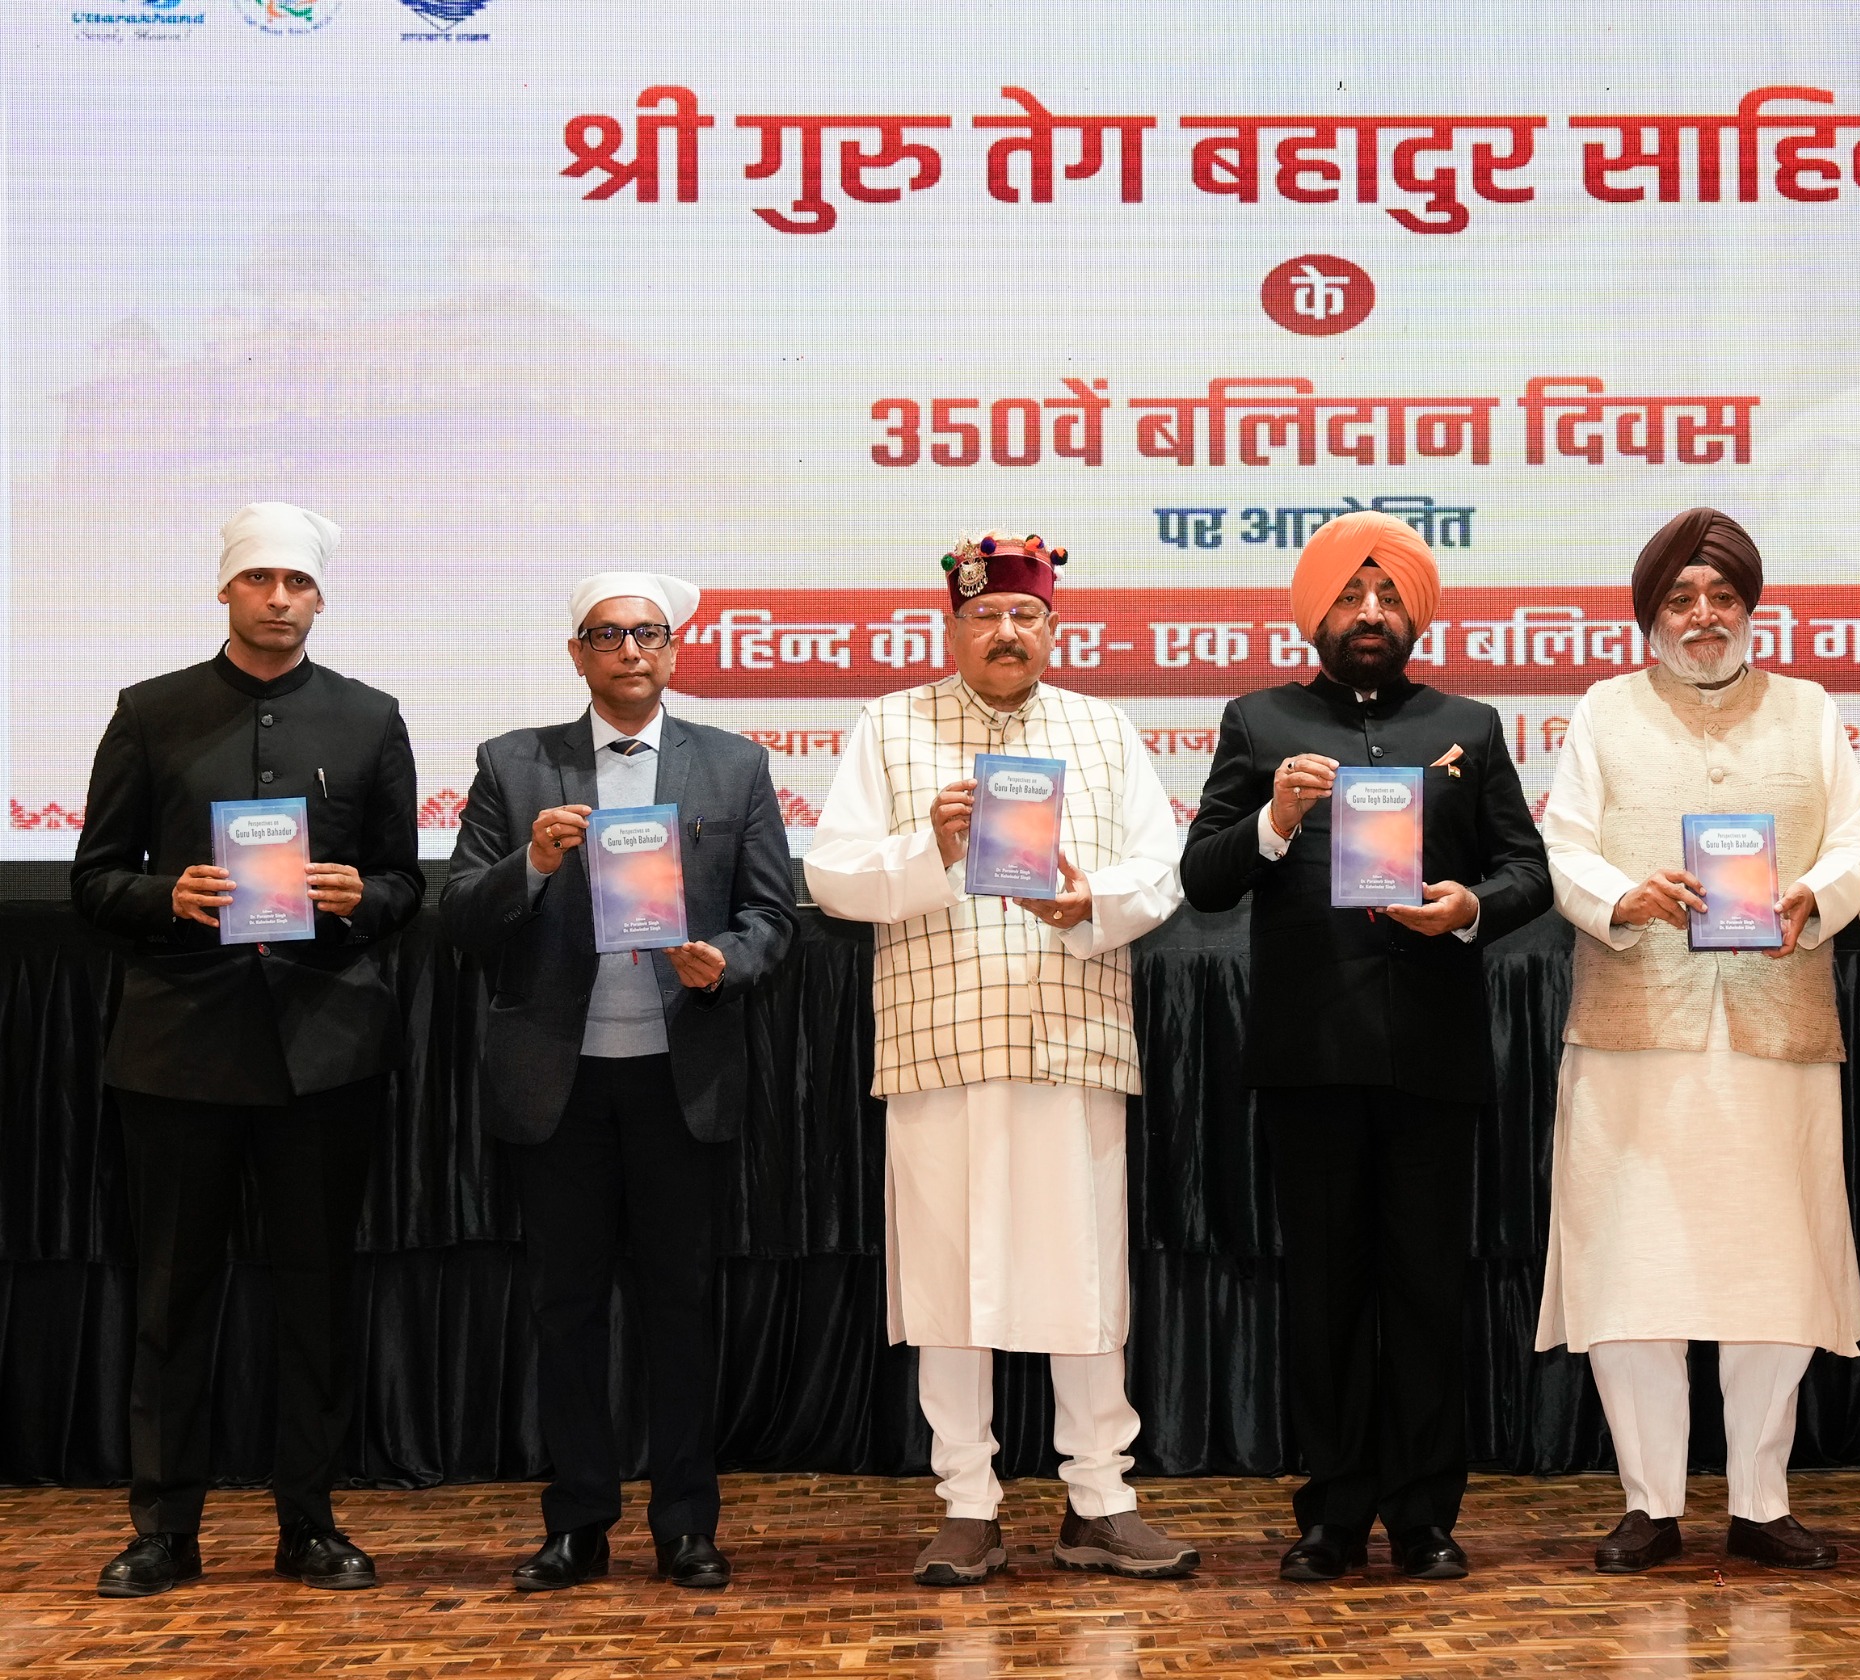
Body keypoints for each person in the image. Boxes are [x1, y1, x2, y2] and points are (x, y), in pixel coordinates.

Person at [805, 531, 1196, 1587]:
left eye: (1024, 616)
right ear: (953, 629)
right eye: (985, 617)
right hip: (939, 1040)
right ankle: (967, 1503)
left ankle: (1100, 1501)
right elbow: (833, 875)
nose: (1006, 633)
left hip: (1071, 1035)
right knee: (949, 1280)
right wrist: (927, 850)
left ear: (1053, 628)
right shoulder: (890, 726)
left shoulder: (1103, 728)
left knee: (1084, 1279)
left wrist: (1087, 901)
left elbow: (1159, 870)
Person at [1181, 511, 1551, 1583]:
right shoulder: (1257, 721)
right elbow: (1201, 879)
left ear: (1415, 614)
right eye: (1350, 596)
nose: (1371, 614)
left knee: (1428, 1292)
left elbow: (1527, 870)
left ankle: (1425, 1517)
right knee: (1326, 1295)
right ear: (1317, 614)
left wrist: (1469, 906)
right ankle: (1333, 1516)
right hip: (1311, 1056)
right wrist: (1272, 821)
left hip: (1434, 1056)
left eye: (1388, 597)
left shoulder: (1468, 726)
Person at [73, 502, 422, 1597]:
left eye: (297, 582)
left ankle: (309, 1523)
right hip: (180, 1049)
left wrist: (362, 897)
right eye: (260, 579)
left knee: (316, 1297)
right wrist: (165, 896)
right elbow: (94, 879)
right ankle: (163, 1531)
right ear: (225, 589)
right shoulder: (151, 711)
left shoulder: (370, 717)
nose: (279, 599)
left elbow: (406, 883)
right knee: (172, 1297)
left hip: (326, 1049)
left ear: (320, 596)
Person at [443, 572, 796, 1592]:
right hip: (557, 1080)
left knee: (681, 1306)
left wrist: (726, 962)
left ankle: (686, 1525)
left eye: (648, 633)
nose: (630, 650)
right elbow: (459, 914)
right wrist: (531, 864)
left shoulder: (733, 764)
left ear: (674, 649)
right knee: (565, 1310)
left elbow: (773, 915)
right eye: (607, 635)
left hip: (681, 1076)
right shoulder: (514, 764)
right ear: (578, 655)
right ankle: (578, 1522)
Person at [1534, 508, 1860, 1574]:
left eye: (1722, 596)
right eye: (1681, 599)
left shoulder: (1811, 709)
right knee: (1634, 1266)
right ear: (1652, 616)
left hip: (1775, 1027)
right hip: (1637, 1030)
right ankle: (1650, 1502)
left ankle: (1762, 1502)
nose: (1704, 615)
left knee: (1774, 1265)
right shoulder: (1605, 708)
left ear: (1749, 608)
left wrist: (1812, 895)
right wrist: (1622, 896)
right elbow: (1562, 844)